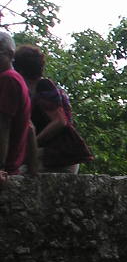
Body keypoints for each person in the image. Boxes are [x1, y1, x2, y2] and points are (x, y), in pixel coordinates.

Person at [13, 43, 92, 173]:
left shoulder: (44, 86)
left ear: (20, 70)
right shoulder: (30, 91)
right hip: (52, 155)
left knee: (15, 172)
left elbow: (60, 121)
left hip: (62, 156)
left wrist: (31, 144)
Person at [0, 30, 38, 186]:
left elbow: (3, 126)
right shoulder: (17, 79)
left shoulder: (8, 79)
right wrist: (33, 169)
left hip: (7, 168)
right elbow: (30, 127)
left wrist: (1, 167)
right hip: (14, 168)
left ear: (10, 54)